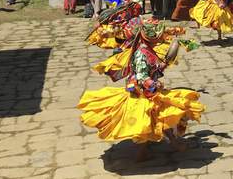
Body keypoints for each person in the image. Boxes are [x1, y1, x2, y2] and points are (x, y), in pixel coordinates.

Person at [78, 20, 204, 162]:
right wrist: (155, 84)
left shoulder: (147, 49)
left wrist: (162, 65)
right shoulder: (141, 54)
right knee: (154, 118)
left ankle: (160, 148)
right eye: (158, 36)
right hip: (142, 92)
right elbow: (141, 76)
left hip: (147, 90)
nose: (161, 38)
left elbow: (152, 69)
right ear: (150, 38)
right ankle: (170, 146)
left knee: (156, 118)